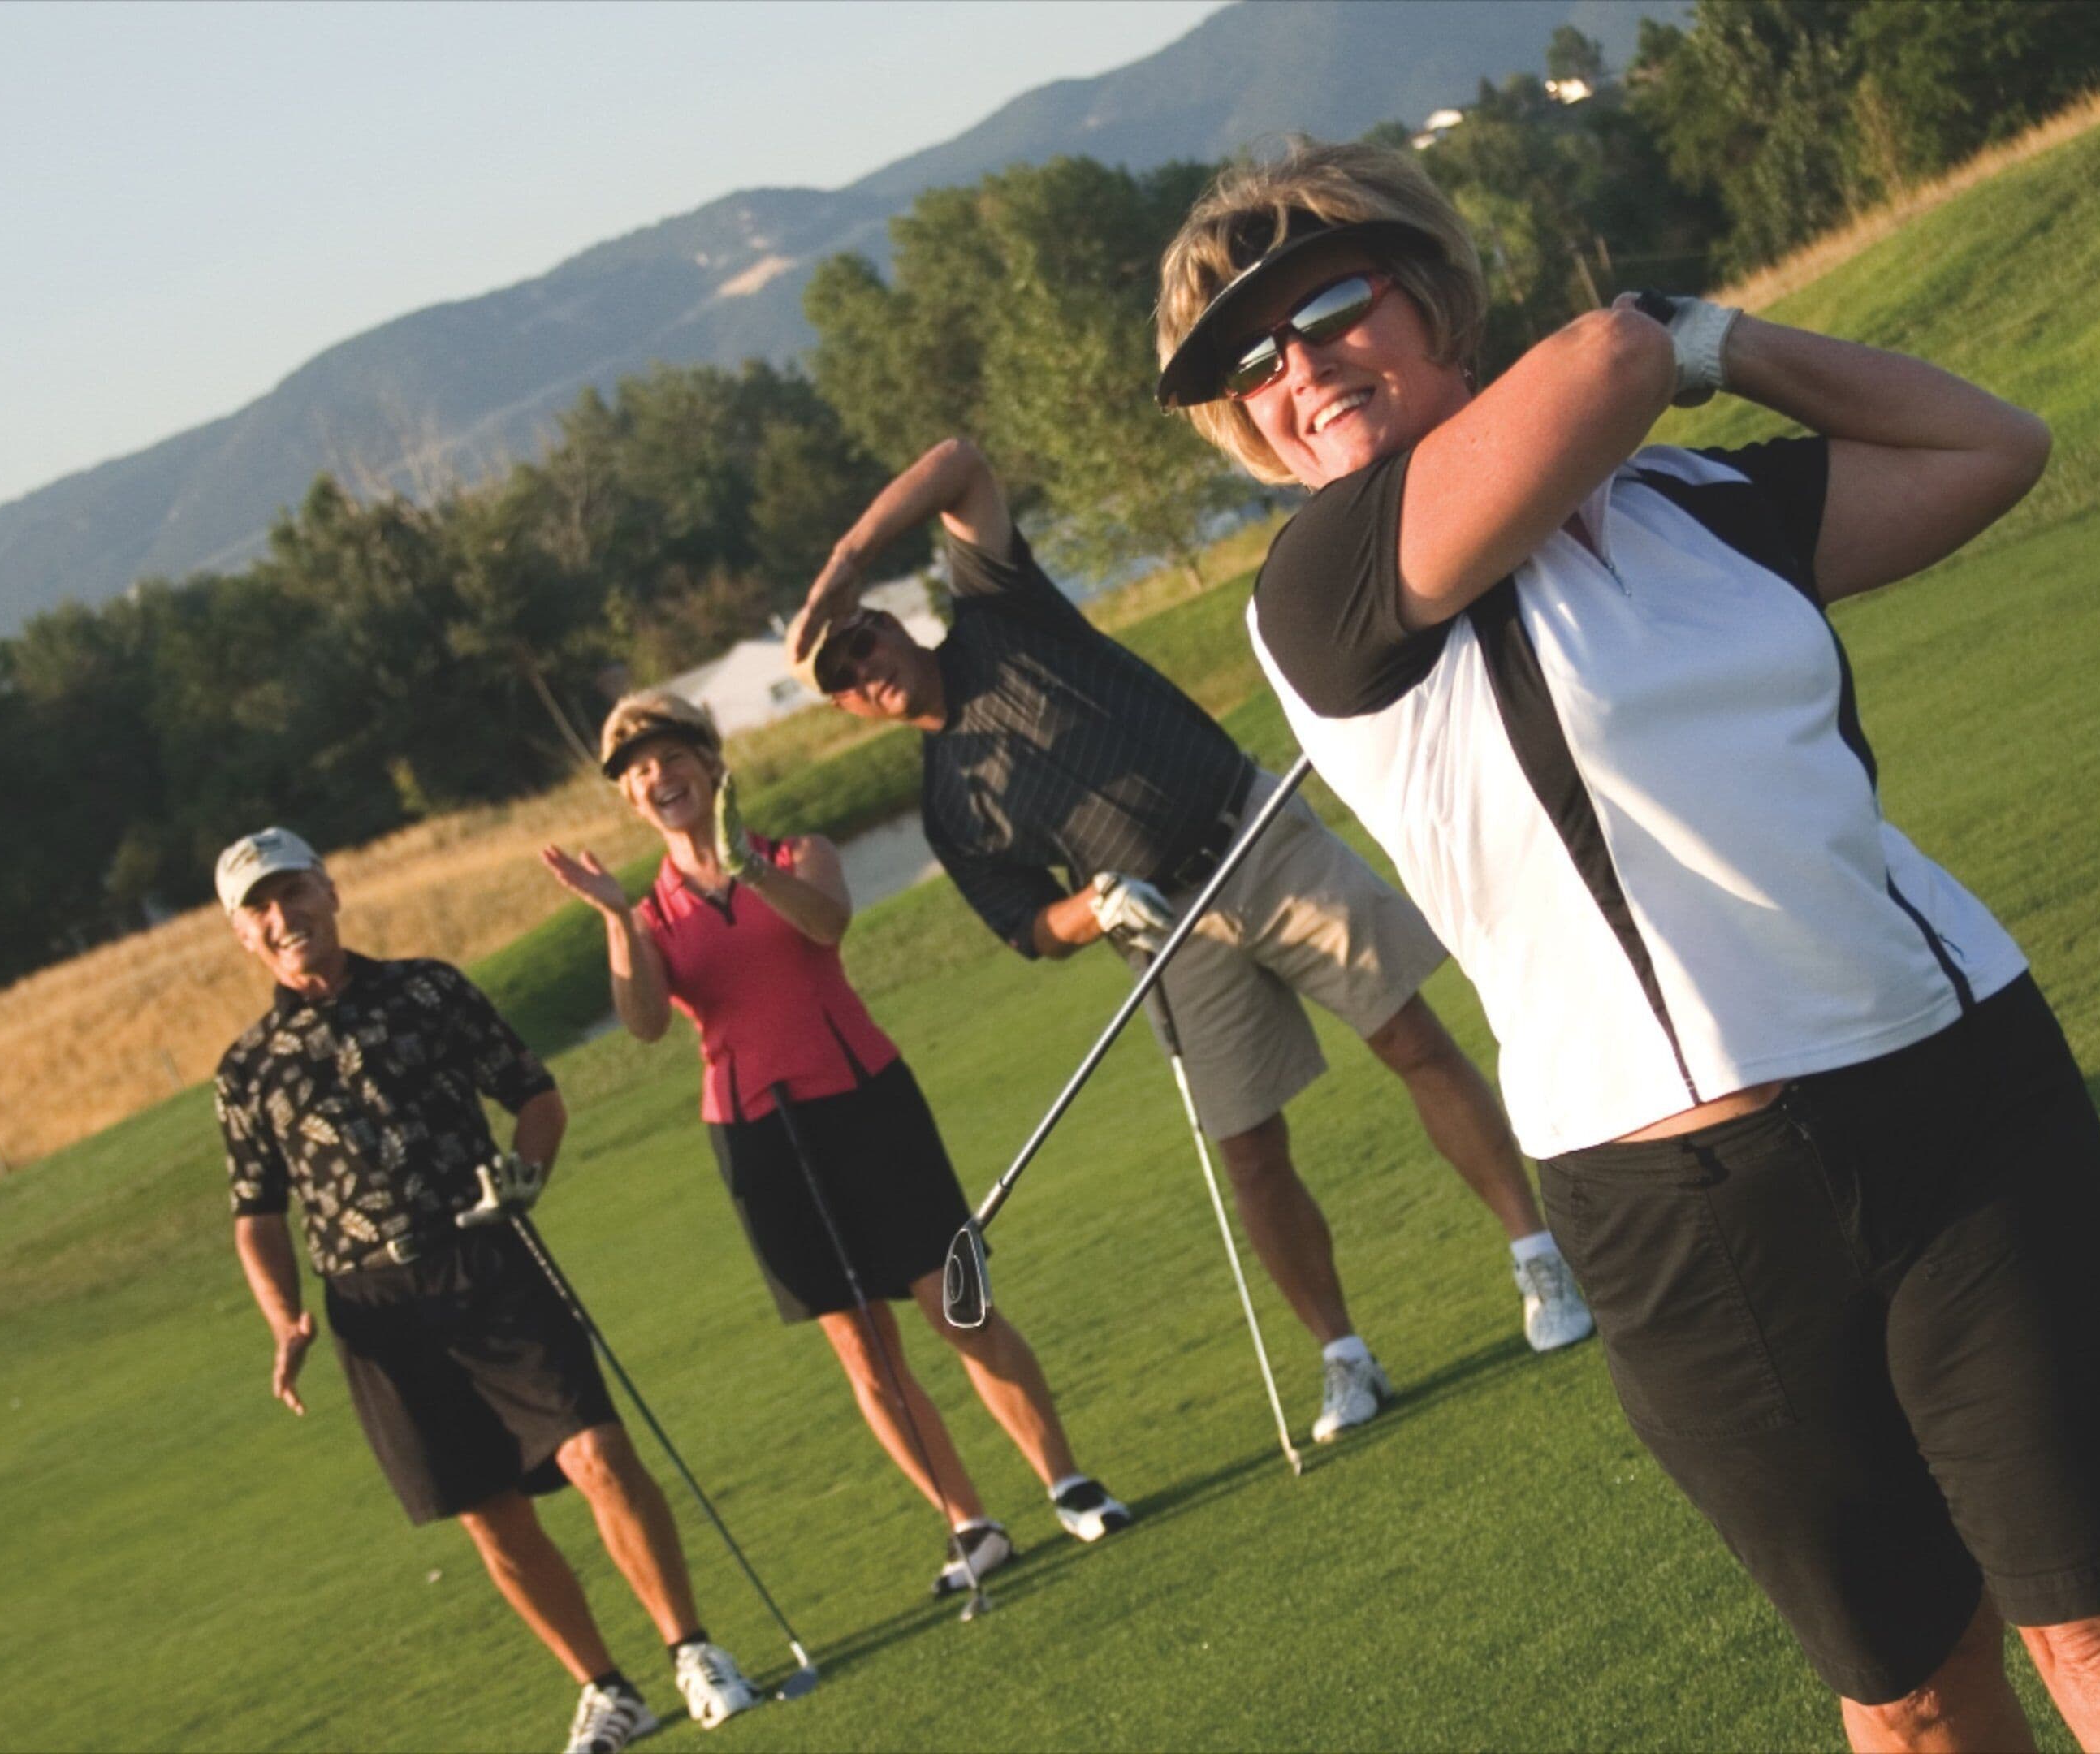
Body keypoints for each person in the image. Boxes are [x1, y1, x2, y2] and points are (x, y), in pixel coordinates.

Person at [1152, 139, 2100, 1753]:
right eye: (1248, 366)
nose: (1299, 369)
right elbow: (1611, 352)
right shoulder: (1321, 584)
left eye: (1329, 307)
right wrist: (1656, 342)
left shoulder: (1690, 498)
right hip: (1683, 1216)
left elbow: (1990, 441)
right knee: (1915, 1708)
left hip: (1962, 1098)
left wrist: (1725, 343)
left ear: (1435, 300)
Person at [784, 438, 1595, 1443]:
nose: (866, 672)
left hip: (1251, 834)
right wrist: (1093, 909)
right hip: (1166, 932)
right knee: (1249, 1151)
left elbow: (959, 464)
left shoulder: (997, 610)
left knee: (1409, 1038)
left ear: (893, 625)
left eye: (862, 643)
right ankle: (1345, 1358)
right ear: (845, 708)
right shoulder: (951, 804)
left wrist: (846, 558)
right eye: (845, 679)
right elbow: (1026, 927)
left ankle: (1538, 1259)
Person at [540, 691, 1131, 1601]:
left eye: (669, 757)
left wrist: (746, 868)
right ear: (628, 799)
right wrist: (616, 920)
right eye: (636, 772)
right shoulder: (649, 915)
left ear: (708, 762)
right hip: (755, 1135)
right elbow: (648, 1024)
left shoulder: (796, 854)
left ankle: (1068, 1480)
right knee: (862, 1348)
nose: (657, 778)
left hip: (865, 1099)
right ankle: (968, 1524)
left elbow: (826, 924)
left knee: (959, 1303)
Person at [210, 827, 758, 1754]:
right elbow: (256, 1213)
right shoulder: (247, 1068)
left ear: (331, 890)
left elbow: (534, 1096)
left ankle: (693, 1651)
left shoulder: (429, 989)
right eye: (260, 909)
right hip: (375, 1307)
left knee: (598, 1457)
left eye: (294, 892)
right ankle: (607, 1689)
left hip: (485, 1258)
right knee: (484, 1511)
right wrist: (283, 1316)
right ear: (242, 937)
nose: (283, 917)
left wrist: (526, 1175)